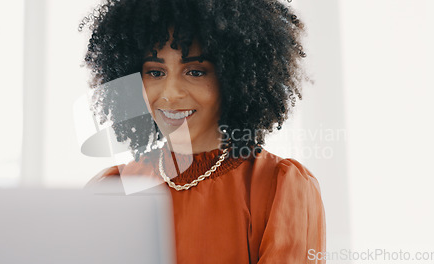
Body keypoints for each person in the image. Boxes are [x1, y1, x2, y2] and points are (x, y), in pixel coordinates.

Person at [81, 0, 325, 263]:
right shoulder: (116, 187)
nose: (171, 94)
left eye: (195, 72)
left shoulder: (278, 187)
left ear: (233, 78)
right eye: (155, 72)